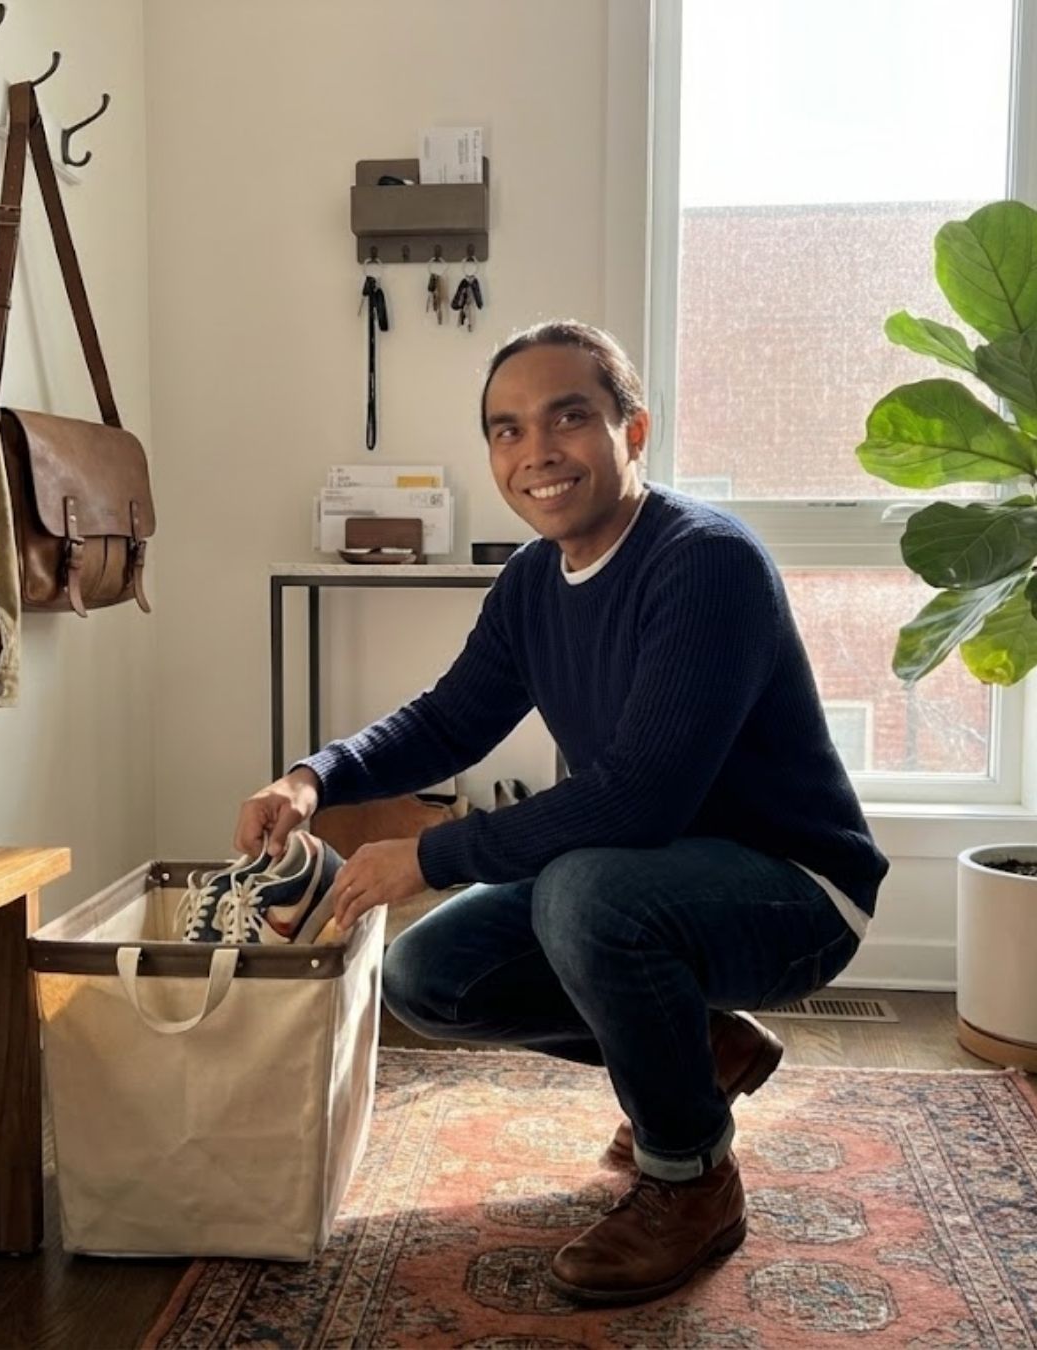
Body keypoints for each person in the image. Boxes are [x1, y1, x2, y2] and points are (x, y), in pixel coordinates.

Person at [234, 320, 889, 1307]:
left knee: (586, 894)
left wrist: (434, 853)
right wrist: (313, 778)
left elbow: (639, 795)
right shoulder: (535, 580)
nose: (534, 450)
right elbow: (451, 720)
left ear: (634, 433)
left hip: (794, 891)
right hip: (653, 879)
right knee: (431, 976)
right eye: (505, 429)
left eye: (568, 417)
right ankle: (705, 1046)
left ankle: (692, 1179)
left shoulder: (704, 563)